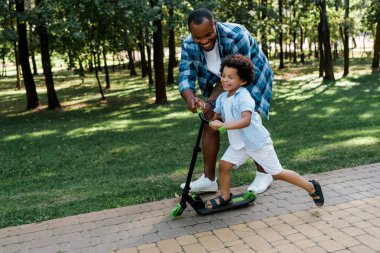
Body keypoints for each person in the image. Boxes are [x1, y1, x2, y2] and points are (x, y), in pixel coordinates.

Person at [203, 54, 324, 209]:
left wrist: (224, 125)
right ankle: (225, 197)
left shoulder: (244, 97)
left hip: (257, 142)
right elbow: (216, 116)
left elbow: (245, 120)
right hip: (239, 144)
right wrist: (206, 110)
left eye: (231, 77)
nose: (225, 80)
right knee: (224, 165)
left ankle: (311, 187)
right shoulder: (222, 97)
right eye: (223, 76)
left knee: (277, 173)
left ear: (243, 81)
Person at [178, 8, 274, 194]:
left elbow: (239, 74)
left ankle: (265, 174)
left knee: (246, 122)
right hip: (223, 80)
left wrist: (212, 102)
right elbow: (185, 75)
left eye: (208, 35)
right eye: (198, 38)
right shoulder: (189, 45)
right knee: (209, 121)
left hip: (250, 75)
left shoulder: (236, 35)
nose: (204, 41)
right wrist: (190, 98)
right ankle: (208, 179)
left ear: (215, 24)